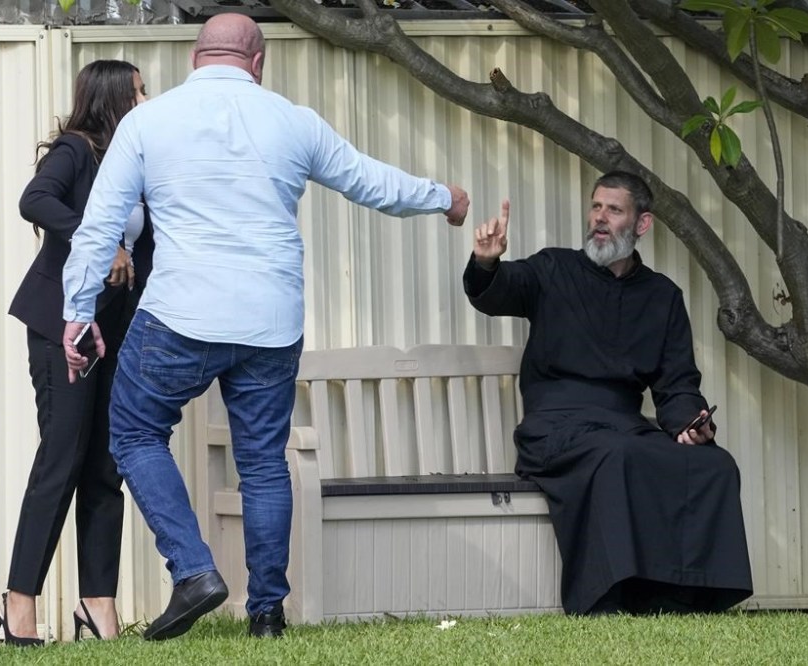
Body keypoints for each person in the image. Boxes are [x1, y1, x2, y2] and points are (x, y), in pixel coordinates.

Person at [59, 13, 469, 640]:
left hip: (180, 314)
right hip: (269, 322)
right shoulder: (292, 120)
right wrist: (444, 197)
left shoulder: (147, 121)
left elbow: (97, 225)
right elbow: (369, 181)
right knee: (263, 464)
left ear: (198, 58)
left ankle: (194, 570)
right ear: (257, 63)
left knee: (135, 431)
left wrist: (78, 313)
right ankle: (267, 614)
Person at [464, 171, 753, 615]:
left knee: (715, 465)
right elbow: (498, 291)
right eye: (596, 206)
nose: (600, 218)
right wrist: (486, 262)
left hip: (622, 426)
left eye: (614, 210)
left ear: (641, 224)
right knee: (617, 454)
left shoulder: (662, 296)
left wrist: (693, 422)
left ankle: (687, 596)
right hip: (554, 427)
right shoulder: (552, 268)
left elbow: (677, 384)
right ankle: (610, 598)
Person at [0, 59, 154, 646]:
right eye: (139, 90)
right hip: (60, 323)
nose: (147, 98)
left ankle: (98, 605)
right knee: (62, 456)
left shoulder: (136, 161)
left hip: (118, 327)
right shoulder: (77, 149)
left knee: (104, 466)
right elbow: (34, 199)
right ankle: (18, 603)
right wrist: (101, 239)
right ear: (114, 96)